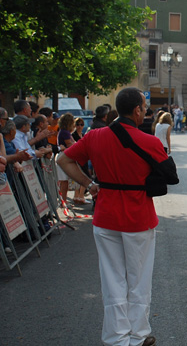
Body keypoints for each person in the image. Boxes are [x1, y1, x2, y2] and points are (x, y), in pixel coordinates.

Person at [57, 87, 174, 346]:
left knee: (112, 279)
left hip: (106, 214)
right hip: (138, 216)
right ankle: (138, 334)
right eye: (144, 106)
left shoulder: (94, 136)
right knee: (138, 279)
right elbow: (170, 174)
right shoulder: (149, 141)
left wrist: (89, 184)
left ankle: (117, 337)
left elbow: (63, 160)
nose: (145, 110)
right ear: (137, 110)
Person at [56, 113, 76, 204]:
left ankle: (63, 199)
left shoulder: (64, 131)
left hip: (64, 156)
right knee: (63, 181)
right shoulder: (65, 132)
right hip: (64, 156)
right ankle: (63, 200)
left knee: (65, 181)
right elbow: (69, 144)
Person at [71, 117, 91, 205]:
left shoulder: (83, 134)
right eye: (78, 124)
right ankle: (77, 195)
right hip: (77, 158)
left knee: (85, 176)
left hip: (84, 158)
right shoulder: (73, 135)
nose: (80, 126)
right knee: (78, 177)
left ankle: (80, 195)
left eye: (81, 124)